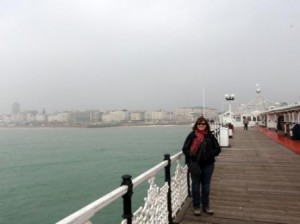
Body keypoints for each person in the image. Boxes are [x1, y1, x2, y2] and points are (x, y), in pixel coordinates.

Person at [182, 116, 221, 216]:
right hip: (195, 165)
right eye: (199, 124)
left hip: (208, 164)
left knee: (206, 186)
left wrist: (209, 153)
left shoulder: (210, 136)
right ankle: (196, 206)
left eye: (203, 124)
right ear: (196, 125)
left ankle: (206, 206)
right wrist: (191, 155)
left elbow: (217, 149)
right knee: (195, 186)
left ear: (206, 125)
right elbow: (185, 149)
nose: (201, 126)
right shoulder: (192, 135)